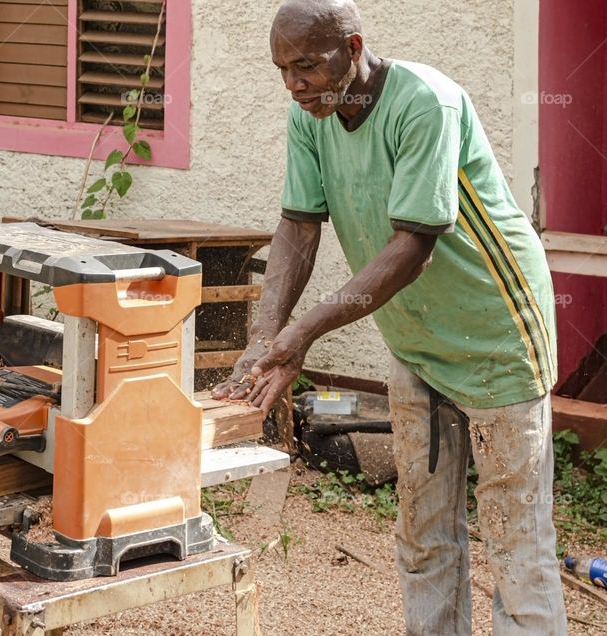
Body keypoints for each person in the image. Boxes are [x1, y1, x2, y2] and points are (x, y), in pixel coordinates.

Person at [211, 1, 568, 633]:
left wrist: (302, 334)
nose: (294, 84)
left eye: (306, 65)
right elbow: (298, 227)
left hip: (496, 331)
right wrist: (264, 336)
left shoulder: (426, 102)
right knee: (423, 532)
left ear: (353, 48)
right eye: (282, 69)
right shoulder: (313, 114)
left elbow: (413, 247)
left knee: (516, 544)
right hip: (415, 337)